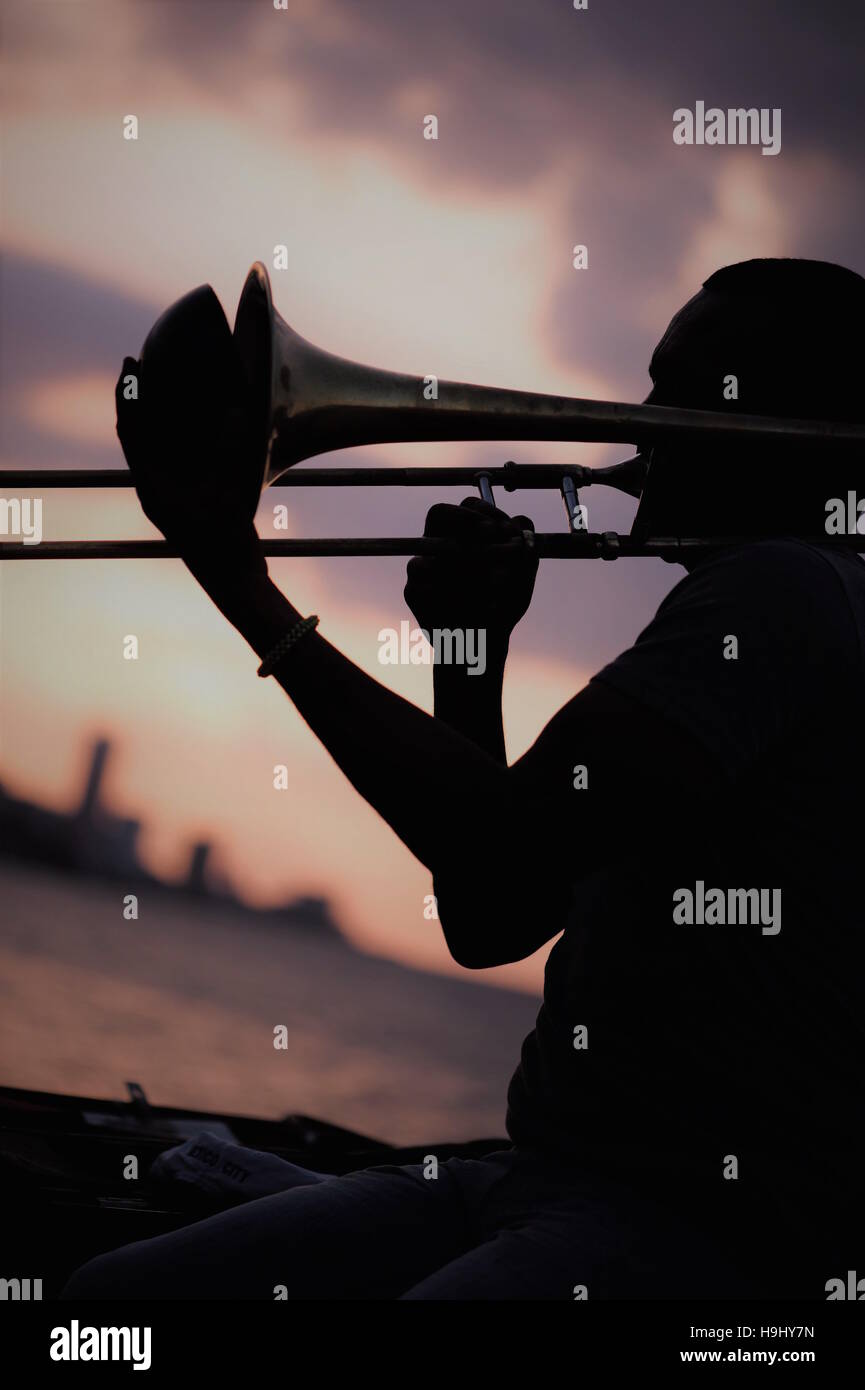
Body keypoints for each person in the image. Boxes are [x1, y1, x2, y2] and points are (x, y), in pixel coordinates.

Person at [63, 258, 865, 1300]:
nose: (638, 420)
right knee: (111, 1298)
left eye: (688, 391)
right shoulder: (754, 601)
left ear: (791, 428)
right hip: (536, 1177)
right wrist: (469, 652)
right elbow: (495, 912)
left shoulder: (789, 589)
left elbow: (497, 844)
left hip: (700, 1230)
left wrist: (231, 572)